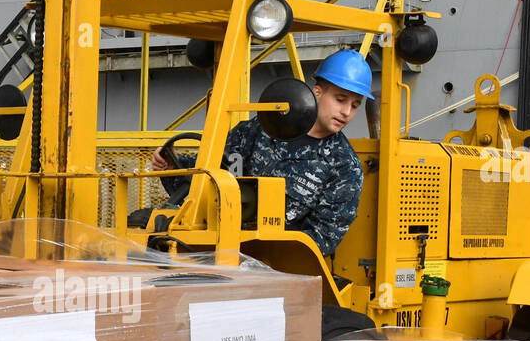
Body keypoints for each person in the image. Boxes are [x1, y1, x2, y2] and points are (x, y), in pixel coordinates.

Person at [150, 48, 368, 255]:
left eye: (355, 105)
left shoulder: (345, 167)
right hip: (219, 247)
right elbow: (215, 168)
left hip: (282, 266)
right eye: (340, 100)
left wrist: (258, 251)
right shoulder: (263, 128)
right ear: (317, 93)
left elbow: (323, 238)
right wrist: (174, 166)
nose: (347, 112)